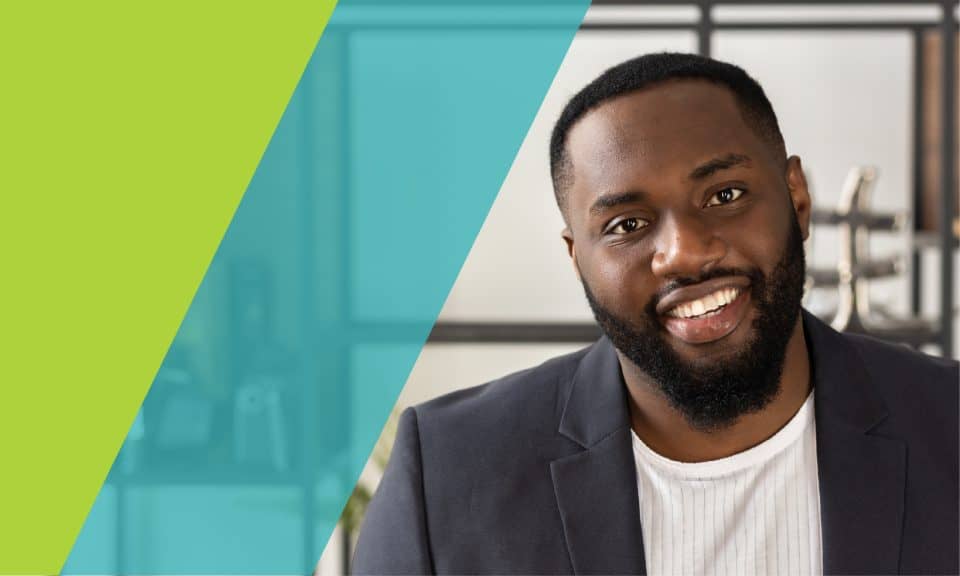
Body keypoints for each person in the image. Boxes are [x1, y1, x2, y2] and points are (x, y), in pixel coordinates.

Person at [351, 52, 959, 575]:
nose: (684, 253)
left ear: (797, 199)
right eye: (627, 225)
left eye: (724, 195)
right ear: (578, 259)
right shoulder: (447, 473)